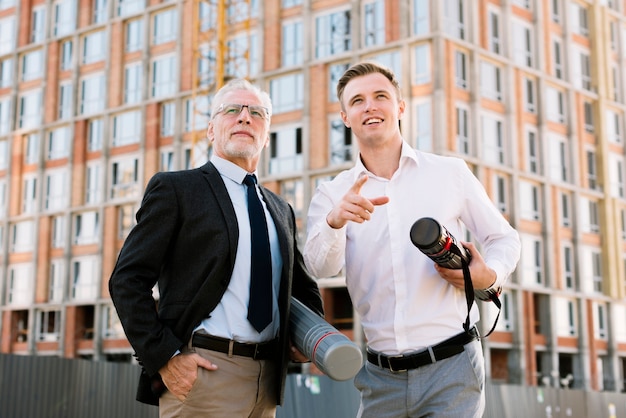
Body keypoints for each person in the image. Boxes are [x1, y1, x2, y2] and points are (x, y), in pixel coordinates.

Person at [304, 61, 521, 418]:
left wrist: (490, 276)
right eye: (357, 101)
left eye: (380, 96)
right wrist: (334, 221)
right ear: (345, 117)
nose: (370, 106)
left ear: (400, 107)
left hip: (452, 369)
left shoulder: (449, 172)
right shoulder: (332, 194)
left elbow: (504, 238)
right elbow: (318, 266)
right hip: (379, 376)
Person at [109, 78, 324, 418]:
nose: (244, 117)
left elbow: (300, 287)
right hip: (205, 375)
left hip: (266, 383)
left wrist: (312, 341)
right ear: (211, 130)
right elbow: (127, 279)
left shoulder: (279, 208)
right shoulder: (177, 189)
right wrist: (164, 358)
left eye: (257, 112)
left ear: (266, 135)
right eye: (232, 110)